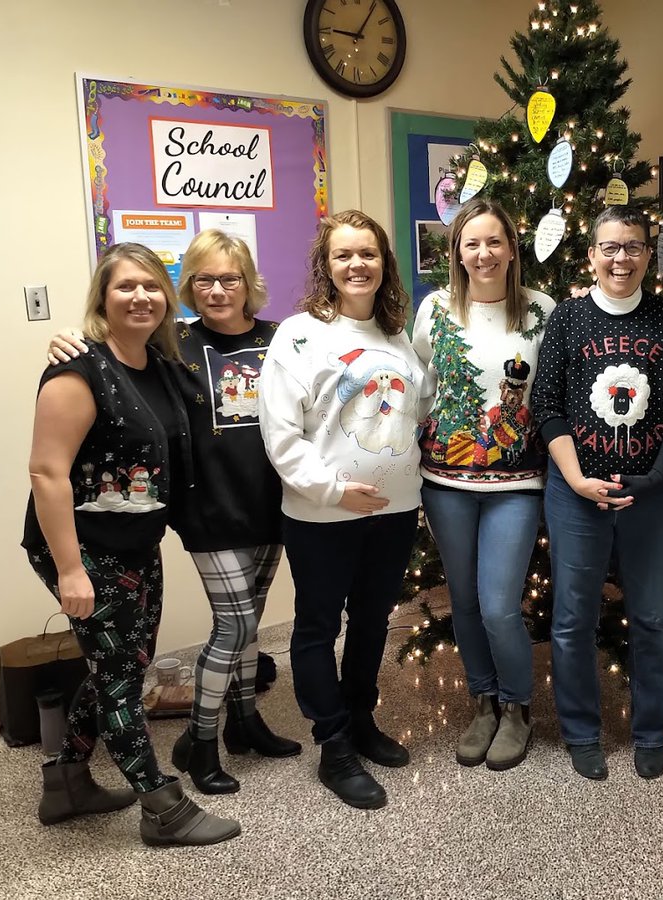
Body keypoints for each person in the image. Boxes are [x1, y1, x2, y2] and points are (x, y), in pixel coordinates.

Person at [48, 230, 301, 797]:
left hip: (272, 502)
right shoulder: (172, 343)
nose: (217, 290)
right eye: (204, 279)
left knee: (249, 625)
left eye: (229, 278)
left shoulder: (281, 338)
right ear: (188, 287)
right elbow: (109, 354)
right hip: (207, 509)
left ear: (248, 284)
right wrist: (66, 338)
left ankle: (245, 721)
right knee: (233, 624)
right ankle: (199, 742)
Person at [23, 243, 239, 846]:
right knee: (120, 675)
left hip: (135, 545)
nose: (140, 296)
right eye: (125, 287)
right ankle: (162, 807)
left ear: (167, 297)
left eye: (151, 286)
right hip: (81, 549)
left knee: (127, 664)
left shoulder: (162, 363)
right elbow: (46, 473)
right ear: (103, 297)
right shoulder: (77, 370)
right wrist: (70, 569)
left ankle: (67, 781)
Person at [260, 209, 430, 809]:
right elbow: (281, 437)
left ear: (384, 263)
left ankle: (360, 719)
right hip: (322, 516)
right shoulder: (299, 335)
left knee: (372, 622)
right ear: (325, 266)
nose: (357, 264)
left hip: (394, 512)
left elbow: (419, 410)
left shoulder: (396, 336)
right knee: (316, 628)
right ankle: (332, 744)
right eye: (343, 255)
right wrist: (335, 491)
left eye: (368, 254)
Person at [531, 205, 663, 781]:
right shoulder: (569, 320)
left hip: (652, 495)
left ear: (647, 255)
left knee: (653, 616)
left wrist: (656, 474)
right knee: (573, 616)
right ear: (591, 256)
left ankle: (650, 731)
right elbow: (547, 405)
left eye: (632, 247)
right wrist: (578, 477)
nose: (620, 258)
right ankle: (582, 732)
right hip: (576, 492)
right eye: (609, 247)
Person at [411, 199, 555, 771]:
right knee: (465, 601)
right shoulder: (437, 309)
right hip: (444, 478)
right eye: (471, 243)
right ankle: (483, 701)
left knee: (498, 604)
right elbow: (421, 385)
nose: (483, 253)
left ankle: (518, 707)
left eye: (494, 242)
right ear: (456, 252)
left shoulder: (541, 311)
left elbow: (552, 390)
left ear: (512, 248)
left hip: (517, 479)